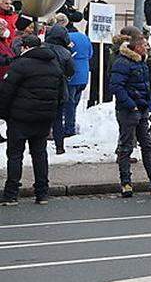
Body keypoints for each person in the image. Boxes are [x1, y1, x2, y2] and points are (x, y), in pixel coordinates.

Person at [1, 35, 64, 205]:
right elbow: (62, 95)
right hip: (43, 119)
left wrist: (5, 114)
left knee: (15, 156)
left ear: (25, 47)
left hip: (20, 118)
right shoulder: (54, 65)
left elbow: (5, 92)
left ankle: (11, 194)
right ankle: (42, 193)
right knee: (39, 154)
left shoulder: (20, 64)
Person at [110, 33, 151, 197]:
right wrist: (131, 105)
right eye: (145, 45)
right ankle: (126, 183)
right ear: (137, 47)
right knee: (126, 147)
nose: (147, 47)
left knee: (147, 144)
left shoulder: (141, 62)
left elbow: (145, 85)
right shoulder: (123, 62)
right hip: (128, 111)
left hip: (142, 109)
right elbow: (116, 87)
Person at [43, 24, 74, 155]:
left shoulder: (41, 48)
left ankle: (39, 145)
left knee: (42, 118)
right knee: (57, 120)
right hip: (59, 88)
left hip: (41, 88)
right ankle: (59, 146)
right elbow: (71, 70)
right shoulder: (65, 52)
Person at [62, 12, 91, 139]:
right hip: (84, 74)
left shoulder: (66, 38)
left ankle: (69, 128)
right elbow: (90, 54)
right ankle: (70, 124)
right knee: (75, 102)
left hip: (71, 74)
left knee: (69, 103)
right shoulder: (84, 37)